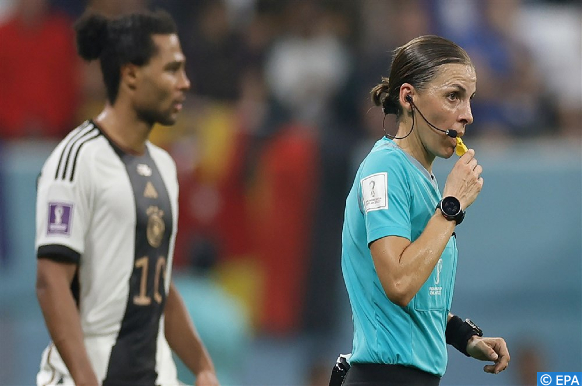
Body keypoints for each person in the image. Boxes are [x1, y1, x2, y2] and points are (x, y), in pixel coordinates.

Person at [34, 10, 219, 386]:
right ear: (131, 74)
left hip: (154, 374)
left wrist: (202, 367)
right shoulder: (76, 159)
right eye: (172, 70)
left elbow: (159, 285)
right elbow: (51, 281)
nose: (184, 83)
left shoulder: (165, 167)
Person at [337, 35, 510, 386]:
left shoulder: (420, 177)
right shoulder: (383, 171)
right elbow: (399, 283)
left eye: (469, 99)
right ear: (408, 97)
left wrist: (464, 337)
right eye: (453, 96)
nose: (468, 115)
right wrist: (451, 207)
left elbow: (414, 298)